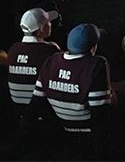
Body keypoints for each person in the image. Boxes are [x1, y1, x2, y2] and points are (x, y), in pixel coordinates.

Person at [28, 23, 112, 156]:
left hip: (60, 126)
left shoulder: (52, 61)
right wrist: (101, 142)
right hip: (86, 131)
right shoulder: (96, 65)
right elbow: (100, 112)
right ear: (93, 47)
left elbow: (37, 101)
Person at [7, 8, 61, 113]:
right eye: (48, 22)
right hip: (41, 109)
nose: (51, 24)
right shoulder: (49, 51)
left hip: (17, 108)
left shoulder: (13, 49)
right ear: (41, 29)